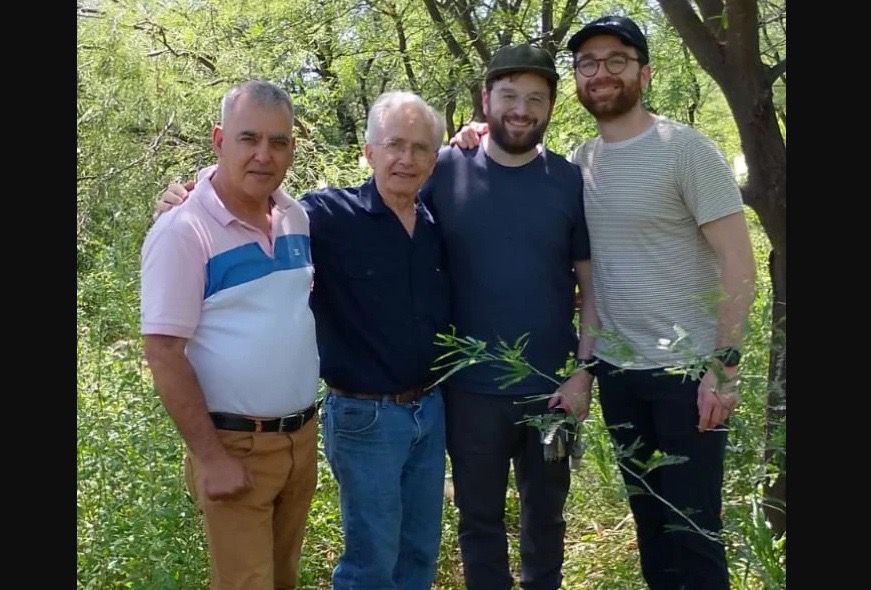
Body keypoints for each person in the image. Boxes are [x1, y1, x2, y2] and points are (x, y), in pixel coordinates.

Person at [456, 15, 756, 590]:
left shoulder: (686, 150)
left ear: (644, 72)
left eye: (617, 60)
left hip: (688, 374)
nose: (601, 73)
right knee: (653, 530)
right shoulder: (581, 162)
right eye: (588, 63)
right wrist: (472, 134)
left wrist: (724, 366)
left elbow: (740, 265)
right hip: (619, 372)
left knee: (694, 534)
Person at [156, 90, 450, 590]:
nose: (406, 158)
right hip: (366, 417)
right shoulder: (325, 216)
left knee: (419, 550)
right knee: (372, 557)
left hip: (428, 411)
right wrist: (184, 198)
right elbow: (246, 193)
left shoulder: (437, 221)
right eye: (394, 145)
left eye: (420, 147)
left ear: (434, 159)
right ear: (369, 151)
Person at [420, 44, 596, 590]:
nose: (521, 110)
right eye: (510, 96)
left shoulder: (568, 180)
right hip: (469, 390)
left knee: (546, 521)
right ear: (486, 98)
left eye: (536, 99)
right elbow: (376, 209)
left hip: (550, 389)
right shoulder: (443, 170)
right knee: (479, 522)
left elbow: (592, 288)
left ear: (551, 107)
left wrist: (583, 373)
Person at [141, 80, 320, 590]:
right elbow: (163, 352)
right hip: (234, 447)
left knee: (282, 580)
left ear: (292, 148)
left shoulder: (295, 218)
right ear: (219, 140)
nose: (264, 154)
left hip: (300, 442)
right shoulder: (183, 230)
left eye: (278, 141)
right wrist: (211, 458)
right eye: (249, 138)